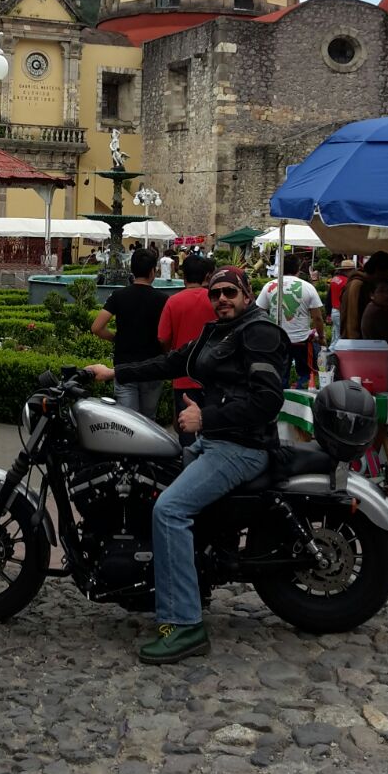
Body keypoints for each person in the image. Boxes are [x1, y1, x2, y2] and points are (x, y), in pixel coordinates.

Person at [87, 266, 288, 663]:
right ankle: (188, 582)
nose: (222, 300)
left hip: (240, 448)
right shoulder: (220, 332)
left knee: (170, 510)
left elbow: (268, 401)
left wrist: (207, 417)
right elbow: (173, 362)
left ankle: (184, 625)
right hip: (214, 441)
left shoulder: (259, 332)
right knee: (152, 487)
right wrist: (114, 372)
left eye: (230, 292)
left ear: (247, 295)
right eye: (216, 294)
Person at [90, 247, 166, 420]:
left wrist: (116, 338)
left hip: (124, 367)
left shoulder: (119, 296)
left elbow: (97, 327)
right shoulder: (162, 299)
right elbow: (165, 336)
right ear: (152, 271)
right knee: (148, 420)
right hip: (152, 367)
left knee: (128, 422)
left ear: (132, 270)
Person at [157, 256, 216, 433]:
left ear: (183, 276)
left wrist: (170, 355)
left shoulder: (173, 301)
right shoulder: (216, 300)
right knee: (211, 428)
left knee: (186, 432)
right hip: (213, 374)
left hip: (183, 374)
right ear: (207, 276)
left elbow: (162, 338)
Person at [255, 253, 325, 388]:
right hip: (302, 341)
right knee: (307, 376)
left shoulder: (269, 286)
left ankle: (282, 403)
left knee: (279, 378)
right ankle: (299, 396)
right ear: (298, 269)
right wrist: (321, 337)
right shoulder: (308, 287)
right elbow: (317, 317)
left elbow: (259, 312)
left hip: (278, 340)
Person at [340, 252, 388, 340]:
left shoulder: (367, 284)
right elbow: (351, 319)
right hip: (358, 344)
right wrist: (355, 343)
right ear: (379, 269)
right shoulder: (357, 285)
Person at [325, 260, 355, 347]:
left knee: (335, 336)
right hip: (341, 311)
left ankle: (330, 354)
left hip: (334, 310)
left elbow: (328, 297)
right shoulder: (347, 281)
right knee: (341, 337)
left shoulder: (334, 279)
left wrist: (328, 313)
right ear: (348, 270)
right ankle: (334, 356)